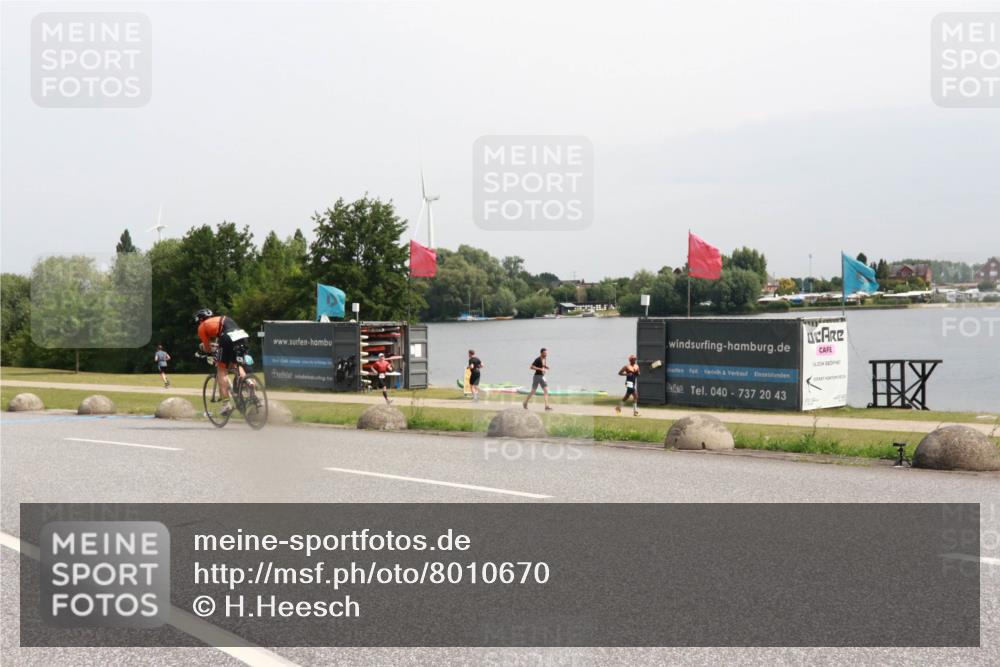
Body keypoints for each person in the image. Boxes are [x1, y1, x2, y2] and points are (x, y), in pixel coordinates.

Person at [195, 308, 250, 416]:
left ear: (200, 320)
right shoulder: (223, 318)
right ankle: (249, 384)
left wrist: (206, 351)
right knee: (236, 365)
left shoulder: (202, 326)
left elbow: (207, 347)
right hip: (242, 336)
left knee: (221, 370)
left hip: (227, 338)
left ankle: (226, 404)